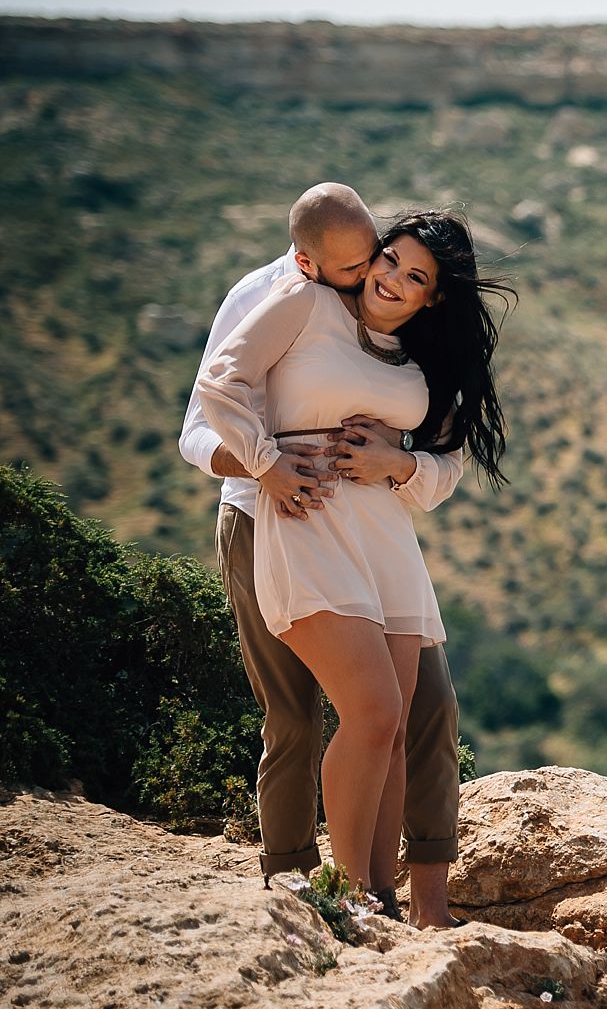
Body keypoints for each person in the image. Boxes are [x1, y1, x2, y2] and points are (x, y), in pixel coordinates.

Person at [180, 187, 500, 927]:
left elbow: (441, 465)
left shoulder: (418, 348)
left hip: (381, 538)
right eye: (379, 262)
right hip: (273, 515)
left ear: (433, 293)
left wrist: (398, 464)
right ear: (313, 255)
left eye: (406, 273)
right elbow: (204, 410)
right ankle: (304, 891)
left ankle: (390, 896)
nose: (379, 278)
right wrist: (261, 464)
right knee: (302, 715)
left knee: (411, 714)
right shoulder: (286, 295)